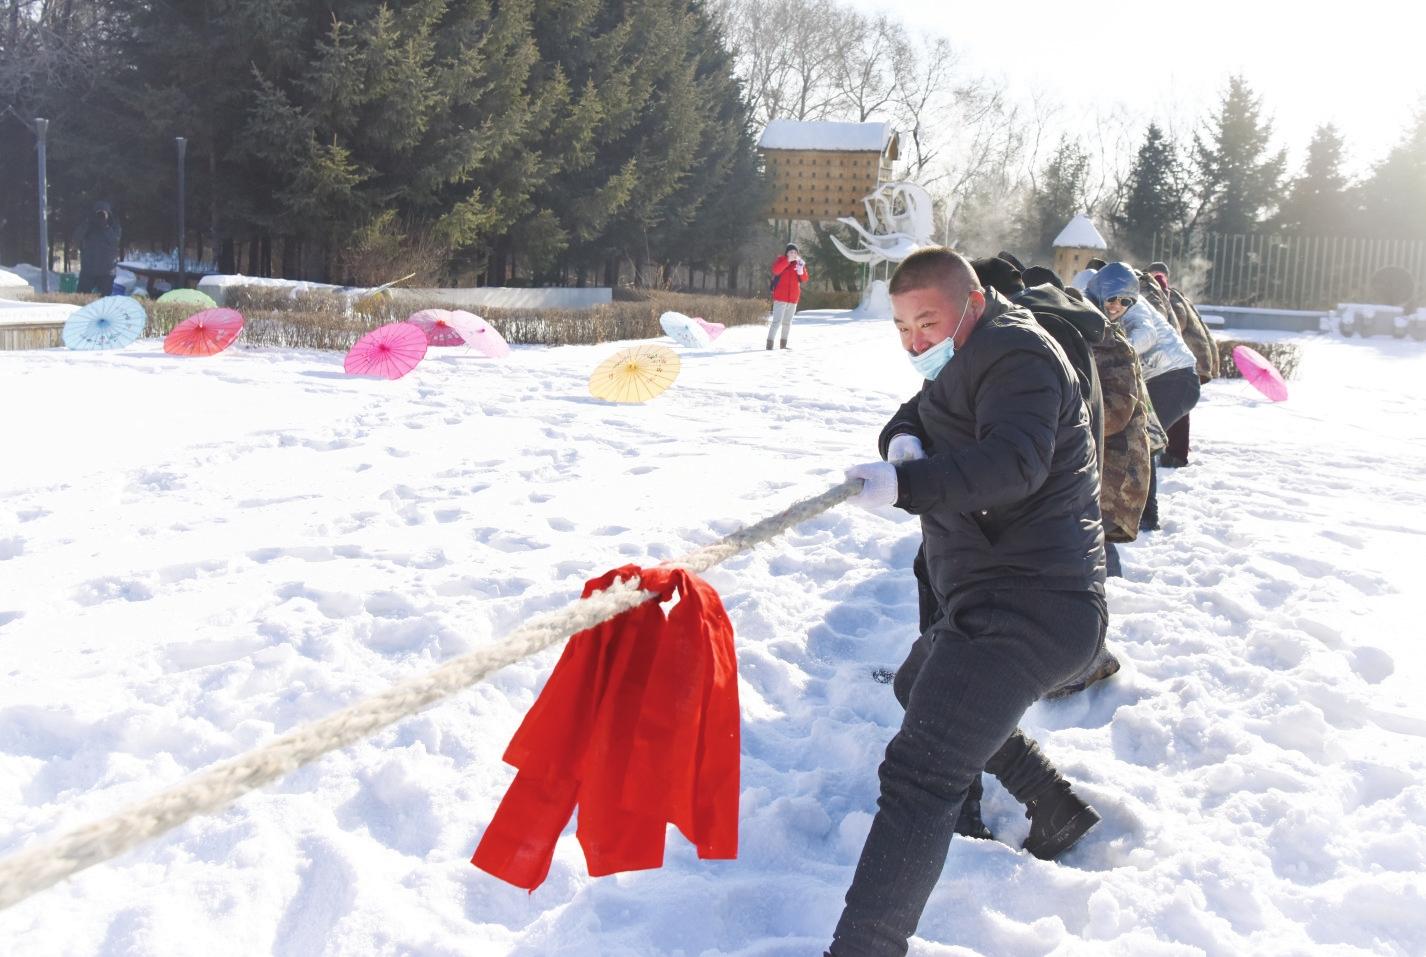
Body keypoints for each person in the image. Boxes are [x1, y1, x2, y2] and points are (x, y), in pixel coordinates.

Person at [833, 248, 1108, 956]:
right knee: (914, 681)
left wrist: (907, 488)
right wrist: (901, 441)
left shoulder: (1016, 354)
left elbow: (1016, 462)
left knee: (921, 773)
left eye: (927, 321)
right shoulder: (967, 354)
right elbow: (918, 409)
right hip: (989, 598)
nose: (915, 341)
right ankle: (1049, 801)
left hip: (1031, 603)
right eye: (901, 327)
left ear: (973, 302)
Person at [1086, 263, 1199, 531]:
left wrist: (1118, 353)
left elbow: (1146, 334)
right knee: (1141, 440)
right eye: (1112, 299)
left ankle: (1147, 515)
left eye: (1124, 301)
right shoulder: (1093, 303)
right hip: (1163, 378)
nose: (1117, 306)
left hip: (1175, 379)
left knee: (1141, 440)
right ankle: (1140, 512)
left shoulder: (1136, 310)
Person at [1146, 261, 1219, 468]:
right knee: (1176, 407)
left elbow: (1177, 322)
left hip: (1186, 360)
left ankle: (1176, 454)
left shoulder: (1168, 295)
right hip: (1190, 359)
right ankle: (1174, 449)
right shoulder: (1172, 294)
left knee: (1178, 408)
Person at [72, 200, 122, 295]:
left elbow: (115, 241)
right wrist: (88, 222)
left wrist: (105, 226)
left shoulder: (113, 226)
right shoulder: (88, 225)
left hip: (107, 272)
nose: (101, 216)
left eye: (103, 213)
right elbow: (77, 238)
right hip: (88, 270)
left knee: (105, 303)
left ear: (109, 214)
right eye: (99, 213)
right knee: (81, 299)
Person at [768, 242, 809, 350]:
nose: (793, 254)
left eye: (795, 252)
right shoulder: (781, 261)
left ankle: (783, 345)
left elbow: (804, 279)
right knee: (777, 322)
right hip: (780, 297)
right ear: (787, 253)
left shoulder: (799, 264)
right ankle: (769, 345)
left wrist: (801, 270)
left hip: (793, 298)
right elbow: (776, 271)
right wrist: (787, 261)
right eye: (791, 252)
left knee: (787, 323)